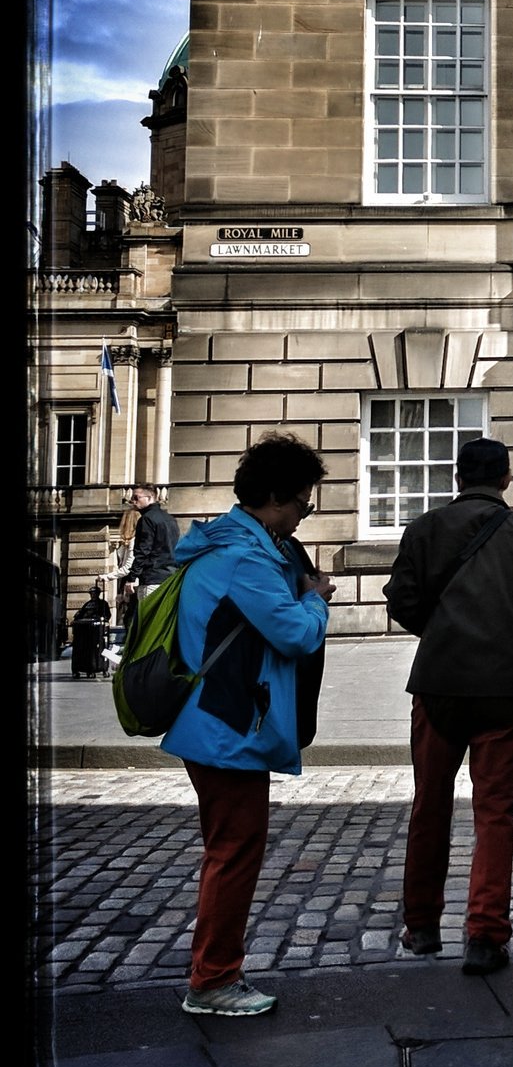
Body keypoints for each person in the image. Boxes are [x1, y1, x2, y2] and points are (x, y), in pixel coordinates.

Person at [163, 433, 333, 1017]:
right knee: (234, 853)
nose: (305, 512)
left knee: (229, 849)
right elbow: (296, 634)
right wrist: (316, 598)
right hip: (227, 724)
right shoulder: (244, 557)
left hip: (219, 720)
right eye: (303, 501)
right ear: (275, 497)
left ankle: (215, 972)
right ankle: (213, 979)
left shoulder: (239, 544)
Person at [384, 437, 513, 975]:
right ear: (506, 478)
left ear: (457, 478)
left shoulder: (425, 528)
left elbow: (401, 600)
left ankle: (421, 925)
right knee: (495, 814)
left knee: (430, 805)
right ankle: (485, 935)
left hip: (439, 683)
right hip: (503, 688)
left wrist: (440, 630)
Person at [70, 579, 113, 678]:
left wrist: (102, 619)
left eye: (94, 593)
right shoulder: (87, 604)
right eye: (91, 594)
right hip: (84, 630)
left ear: (98, 594)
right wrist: (76, 620)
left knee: (96, 649)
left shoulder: (103, 604)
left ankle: (97, 668)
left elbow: (107, 615)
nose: (93, 595)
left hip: (96, 630)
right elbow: (80, 614)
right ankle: (81, 668)